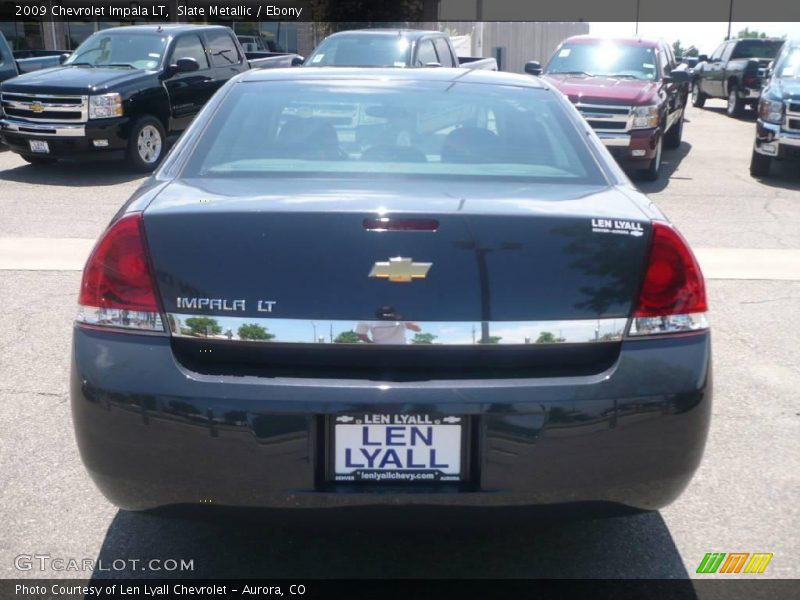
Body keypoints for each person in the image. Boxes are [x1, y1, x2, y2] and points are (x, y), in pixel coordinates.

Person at [355, 307, 421, 344]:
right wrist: (371, 343)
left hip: (401, 349)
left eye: (388, 313)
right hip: (378, 350)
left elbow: (417, 329)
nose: (386, 315)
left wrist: (402, 319)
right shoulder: (368, 318)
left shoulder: (401, 318)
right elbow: (360, 333)